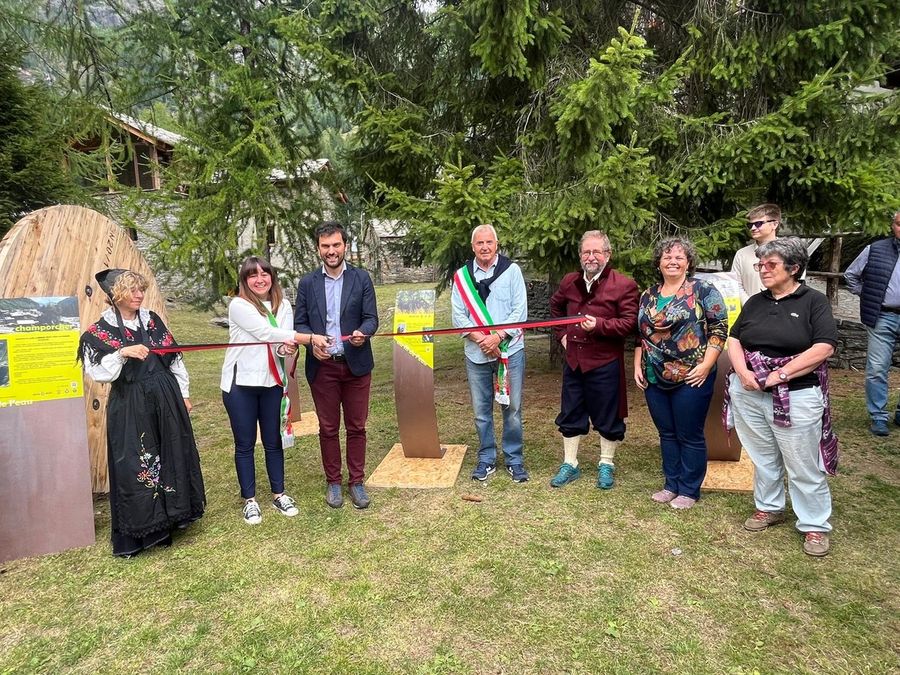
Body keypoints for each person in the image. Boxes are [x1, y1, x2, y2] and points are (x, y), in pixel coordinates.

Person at [78, 269, 205, 558]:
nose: (139, 295)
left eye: (141, 289)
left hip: (164, 395)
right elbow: (99, 373)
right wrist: (122, 352)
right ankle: (146, 528)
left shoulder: (151, 320)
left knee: (171, 452)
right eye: (132, 290)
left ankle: (173, 517)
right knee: (135, 461)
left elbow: (174, 358)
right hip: (131, 402)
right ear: (116, 295)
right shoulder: (99, 332)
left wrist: (183, 394)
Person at [726, 238, 839, 557]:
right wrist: (744, 374)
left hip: (796, 394)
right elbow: (734, 339)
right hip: (749, 392)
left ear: (794, 267)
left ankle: (814, 524)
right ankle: (769, 507)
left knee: (802, 461)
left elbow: (824, 347)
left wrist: (778, 376)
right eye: (760, 265)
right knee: (763, 457)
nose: (762, 270)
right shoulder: (756, 302)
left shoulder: (814, 302)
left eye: (770, 265)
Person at [221, 256, 332, 525]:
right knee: (245, 443)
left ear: (272, 276)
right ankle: (250, 500)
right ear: (245, 281)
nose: (260, 279)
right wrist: (307, 338)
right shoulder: (239, 305)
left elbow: (280, 342)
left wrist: (288, 347)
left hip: (271, 382)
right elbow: (264, 332)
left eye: (264, 273)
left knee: (273, 440)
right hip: (241, 384)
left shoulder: (283, 306)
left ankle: (279, 494)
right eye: (252, 275)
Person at [634, 237, 728, 509]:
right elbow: (641, 334)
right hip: (654, 374)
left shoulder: (703, 290)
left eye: (678, 257)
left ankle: (689, 489)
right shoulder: (648, 294)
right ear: (659, 263)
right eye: (667, 256)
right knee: (667, 432)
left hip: (693, 374)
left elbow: (719, 328)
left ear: (688, 262)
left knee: (689, 433)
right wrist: (637, 363)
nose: (672, 261)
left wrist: (707, 365)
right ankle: (671, 483)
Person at [294, 222, 379, 509]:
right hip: (323, 368)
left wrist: (362, 333)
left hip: (356, 365)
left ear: (345, 245)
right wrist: (311, 343)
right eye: (325, 246)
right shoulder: (307, 283)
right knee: (328, 428)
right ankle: (333, 481)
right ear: (318, 248)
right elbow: (300, 324)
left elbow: (371, 318)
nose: (331, 251)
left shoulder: (361, 278)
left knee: (357, 426)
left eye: (336, 245)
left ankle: (356, 481)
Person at [549, 230, 639, 489]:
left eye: (596, 252)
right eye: (586, 252)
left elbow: (629, 323)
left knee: (608, 416)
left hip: (604, 362)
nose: (591, 257)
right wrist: (562, 336)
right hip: (575, 361)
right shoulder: (570, 281)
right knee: (571, 412)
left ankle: (606, 463)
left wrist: (599, 325)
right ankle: (570, 463)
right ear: (580, 256)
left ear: (607, 255)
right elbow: (555, 308)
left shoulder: (623, 285)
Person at [451, 224, 529, 482]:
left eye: (489, 242)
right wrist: (482, 340)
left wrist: (497, 337)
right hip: (476, 355)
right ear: (472, 247)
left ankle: (514, 459)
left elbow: (519, 311)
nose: (485, 247)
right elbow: (459, 316)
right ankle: (486, 458)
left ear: (496, 244)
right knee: (481, 410)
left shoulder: (512, 271)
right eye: (479, 243)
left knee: (513, 409)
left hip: (510, 353)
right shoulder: (461, 277)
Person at [844, 211, 900, 437]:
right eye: (899, 224)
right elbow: (850, 276)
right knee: (877, 368)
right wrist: (868, 297)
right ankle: (878, 416)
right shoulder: (875, 249)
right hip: (883, 316)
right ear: (892, 225)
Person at [731, 203, 781, 300]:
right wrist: (750, 305)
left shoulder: (790, 252)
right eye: (750, 225)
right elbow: (736, 285)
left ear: (774, 224)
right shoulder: (741, 254)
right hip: (750, 311)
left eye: (758, 224)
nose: (753, 228)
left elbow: (796, 284)